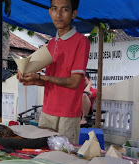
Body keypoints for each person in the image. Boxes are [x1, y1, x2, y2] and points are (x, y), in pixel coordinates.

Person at [17, 0, 90, 144]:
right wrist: (31, 80)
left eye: (65, 10)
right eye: (54, 9)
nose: (58, 14)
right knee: (44, 155)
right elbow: (50, 81)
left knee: (63, 158)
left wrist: (40, 77)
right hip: (47, 111)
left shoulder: (81, 41)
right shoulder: (50, 44)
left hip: (68, 115)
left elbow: (74, 82)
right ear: (50, 11)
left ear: (73, 14)